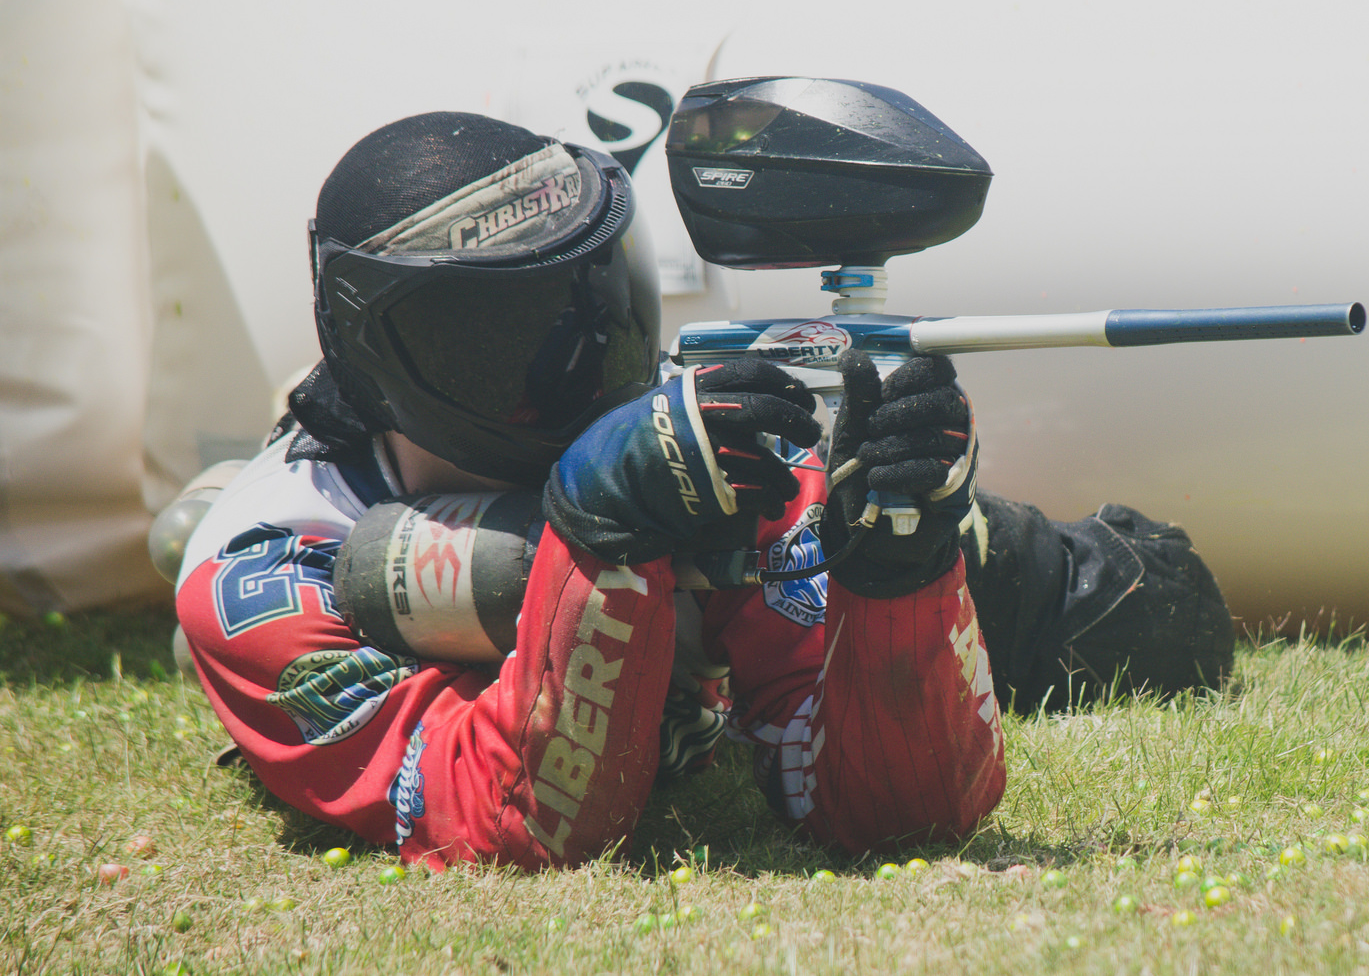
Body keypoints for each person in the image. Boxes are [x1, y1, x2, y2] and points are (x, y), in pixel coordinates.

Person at [174, 111, 1231, 872]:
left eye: (602, 298)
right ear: (393, 353)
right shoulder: (267, 572)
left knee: (1148, 613)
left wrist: (901, 569)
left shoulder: (712, 465)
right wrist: (602, 538)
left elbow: (879, 812)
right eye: (517, 333)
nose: (592, 354)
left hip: (770, 560)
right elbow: (518, 826)